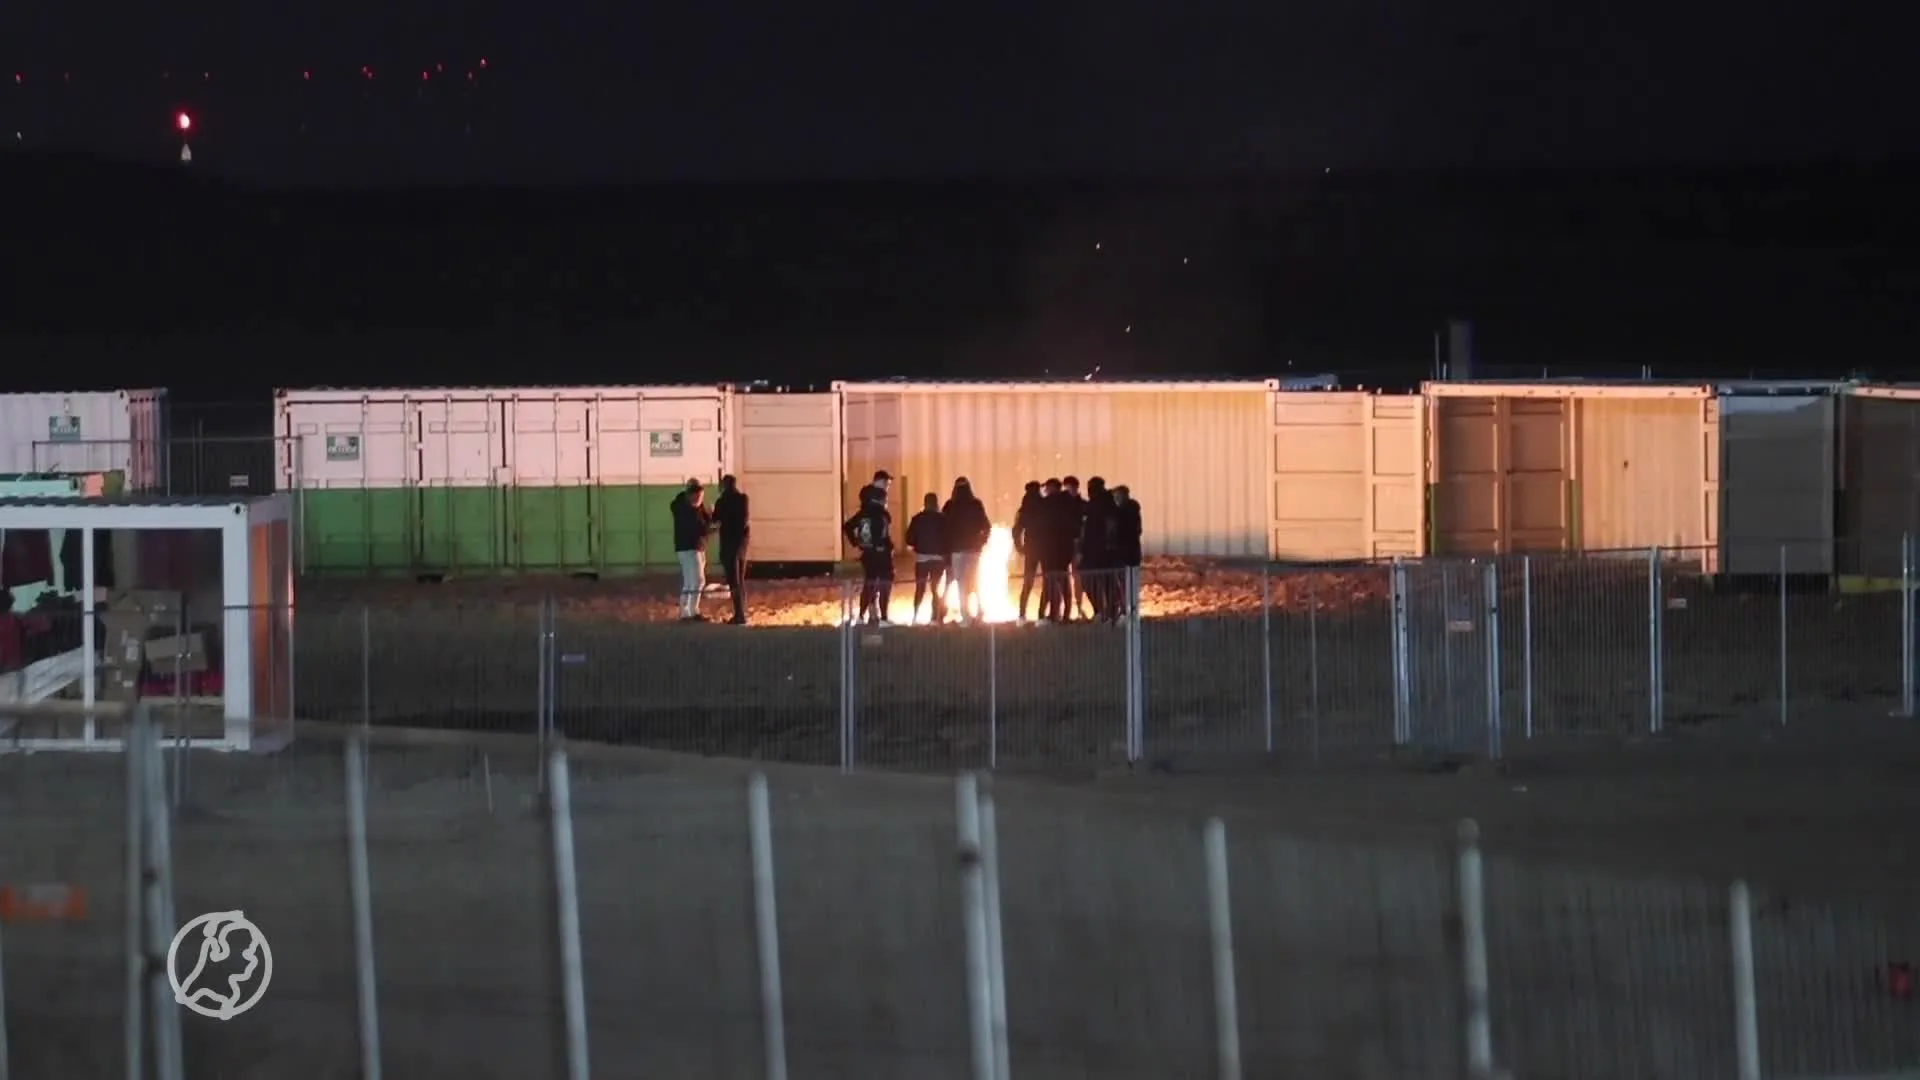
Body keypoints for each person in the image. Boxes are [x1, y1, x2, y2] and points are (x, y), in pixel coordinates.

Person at [942, 477, 993, 623]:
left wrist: (946, 551)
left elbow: (944, 529)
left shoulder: (950, 505)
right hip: (973, 549)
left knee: (961, 583)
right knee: (974, 581)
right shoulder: (976, 504)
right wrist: (981, 542)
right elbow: (986, 526)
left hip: (957, 550)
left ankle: (965, 615)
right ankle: (979, 610)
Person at [844, 483, 895, 626]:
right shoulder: (882, 514)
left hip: (868, 554)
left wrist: (855, 542)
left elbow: (847, 526)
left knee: (869, 585)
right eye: (885, 499)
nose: (886, 502)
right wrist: (888, 547)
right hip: (882, 554)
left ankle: (861, 616)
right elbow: (884, 534)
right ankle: (883, 617)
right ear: (879, 499)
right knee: (885, 584)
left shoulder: (863, 512)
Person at [669, 479, 713, 621]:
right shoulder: (688, 510)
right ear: (690, 495)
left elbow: (704, 522)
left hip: (691, 546)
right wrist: (711, 527)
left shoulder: (686, 506)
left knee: (690, 581)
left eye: (701, 496)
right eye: (698, 496)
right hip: (691, 547)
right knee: (698, 580)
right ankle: (691, 611)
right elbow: (699, 527)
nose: (700, 499)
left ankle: (686, 611)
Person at [904, 492, 949, 625]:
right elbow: (948, 537)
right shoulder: (942, 519)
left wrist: (917, 545)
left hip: (921, 558)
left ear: (925, 503)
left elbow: (909, 539)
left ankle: (915, 616)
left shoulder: (917, 518)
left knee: (920, 588)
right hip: (938, 558)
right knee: (936, 588)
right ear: (936, 503)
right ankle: (935, 617)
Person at [712, 474, 751, 625]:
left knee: (733, 580)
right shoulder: (743, 499)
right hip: (742, 544)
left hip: (729, 545)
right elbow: (745, 521)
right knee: (740, 579)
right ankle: (743, 611)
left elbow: (715, 520)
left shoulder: (721, 502)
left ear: (724, 485)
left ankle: (739, 615)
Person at [1080, 476, 1119, 622]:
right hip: (1092, 550)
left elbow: (1111, 524)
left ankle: (1109, 612)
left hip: (1102, 550)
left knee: (1106, 581)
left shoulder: (1107, 503)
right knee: (1090, 579)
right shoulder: (1094, 504)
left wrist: (1109, 542)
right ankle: (1102, 611)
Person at [1036, 478, 1073, 623]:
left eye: (1047, 487)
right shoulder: (1067, 503)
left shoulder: (1046, 504)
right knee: (1063, 584)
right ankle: (1064, 615)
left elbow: (1041, 528)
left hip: (1049, 552)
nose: (1045, 490)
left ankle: (1051, 614)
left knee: (1050, 585)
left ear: (1052, 488)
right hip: (1062, 552)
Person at [1012, 480, 1046, 623]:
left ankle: (1022, 614)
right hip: (1044, 548)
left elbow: (1016, 529)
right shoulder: (1044, 505)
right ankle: (1042, 614)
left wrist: (1019, 547)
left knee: (1028, 582)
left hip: (1030, 547)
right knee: (1047, 581)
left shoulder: (1024, 508)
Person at [1059, 476, 1089, 620]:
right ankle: (1068, 608)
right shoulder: (1062, 506)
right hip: (1065, 545)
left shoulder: (1082, 505)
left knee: (1077, 577)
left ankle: (1078, 606)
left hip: (1076, 546)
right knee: (1064, 577)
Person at [1112, 485, 1144, 619]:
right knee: (1132, 583)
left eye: (1117, 496)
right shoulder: (1134, 510)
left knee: (1123, 582)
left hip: (1123, 553)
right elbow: (1139, 530)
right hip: (1134, 552)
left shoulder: (1119, 512)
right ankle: (1132, 608)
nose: (1115, 499)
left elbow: (1117, 532)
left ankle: (1125, 608)